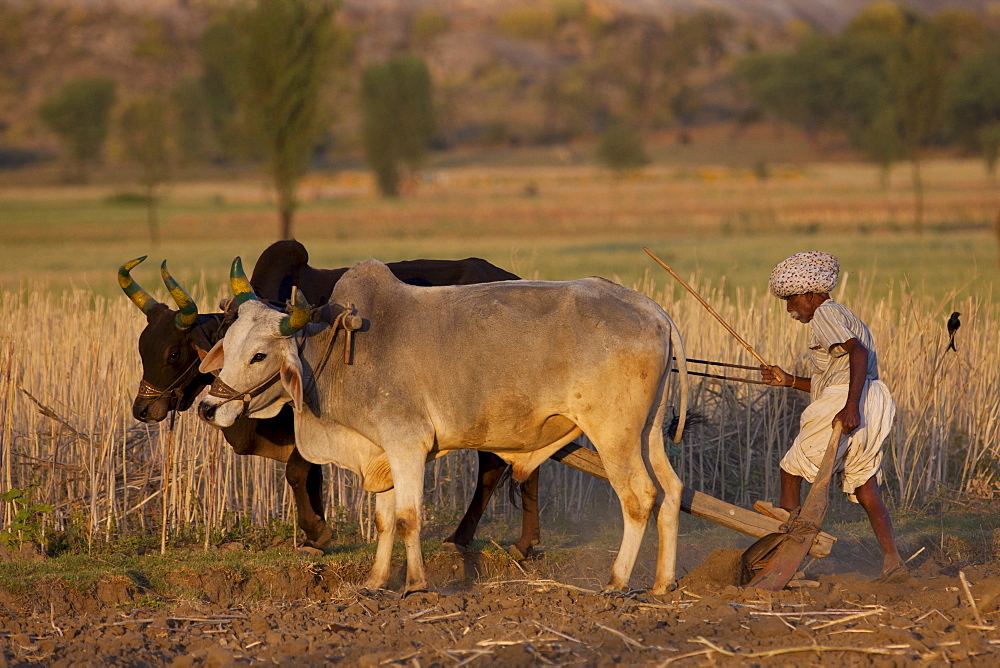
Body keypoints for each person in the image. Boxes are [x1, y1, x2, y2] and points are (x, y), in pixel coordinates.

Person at [759, 251, 906, 582]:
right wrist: (788, 380)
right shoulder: (840, 315)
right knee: (866, 486)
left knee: (790, 470)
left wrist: (850, 406)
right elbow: (837, 376)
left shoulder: (825, 314)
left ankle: (785, 561)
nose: (789, 309)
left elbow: (858, 353)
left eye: (792, 299)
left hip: (851, 399)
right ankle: (893, 561)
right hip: (873, 399)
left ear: (811, 295)